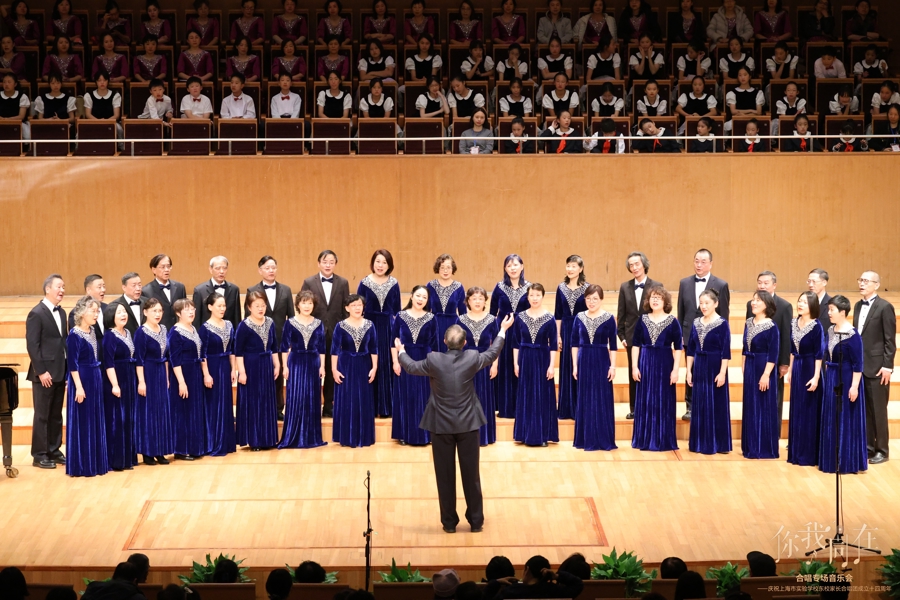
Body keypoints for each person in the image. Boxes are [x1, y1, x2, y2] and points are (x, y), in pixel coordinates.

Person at [397, 312, 513, 533]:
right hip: (468, 425)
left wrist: (401, 351)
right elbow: (492, 353)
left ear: (444, 341)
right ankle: (476, 522)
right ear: (465, 343)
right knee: (472, 476)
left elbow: (411, 367)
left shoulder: (434, 360)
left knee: (445, 477)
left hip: (440, 426)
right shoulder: (472, 357)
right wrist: (502, 331)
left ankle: (449, 523)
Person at [677, 249, 730, 421]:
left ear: (711, 264)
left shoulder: (721, 284)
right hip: (690, 333)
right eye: (696, 261)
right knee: (691, 371)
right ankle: (690, 407)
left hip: (713, 339)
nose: (699, 265)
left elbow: (724, 314)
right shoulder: (684, 283)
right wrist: (681, 334)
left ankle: (710, 407)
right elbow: (681, 311)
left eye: (703, 262)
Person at [819, 300, 868, 475]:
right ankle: (831, 460)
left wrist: (854, 386)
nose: (829, 313)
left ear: (842, 312)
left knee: (845, 417)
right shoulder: (830, 330)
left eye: (832, 310)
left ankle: (846, 461)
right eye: (829, 309)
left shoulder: (853, 335)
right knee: (832, 416)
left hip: (847, 379)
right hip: (832, 377)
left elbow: (858, 364)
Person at [631, 286, 682, 452]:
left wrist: (675, 370)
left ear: (665, 301)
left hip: (664, 364)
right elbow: (635, 345)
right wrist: (634, 366)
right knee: (645, 400)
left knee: (664, 400)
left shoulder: (673, 321)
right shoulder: (642, 319)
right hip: (645, 364)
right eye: (652, 297)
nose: (655, 300)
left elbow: (679, 347)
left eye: (658, 297)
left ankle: (662, 439)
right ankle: (644, 439)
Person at [301, 250, 349, 418]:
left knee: (332, 369)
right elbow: (302, 305)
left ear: (335, 264)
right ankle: (312, 407)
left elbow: (346, 308)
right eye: (325, 261)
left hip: (335, 333)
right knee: (314, 369)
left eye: (331, 262)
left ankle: (329, 406)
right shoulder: (309, 282)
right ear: (318, 263)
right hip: (314, 333)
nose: (328, 265)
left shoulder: (343, 283)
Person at [27, 274, 67, 469]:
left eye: (63, 287)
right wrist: (41, 371)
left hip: (59, 370)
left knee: (56, 414)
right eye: (58, 287)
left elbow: (62, 342)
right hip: (44, 373)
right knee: (42, 415)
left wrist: (66, 370)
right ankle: (40, 454)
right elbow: (32, 345)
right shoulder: (36, 313)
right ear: (47, 289)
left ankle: (54, 449)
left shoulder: (62, 312)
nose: (62, 290)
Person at [246, 255, 294, 419]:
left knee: (278, 375)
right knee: (261, 376)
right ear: (260, 270)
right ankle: (262, 408)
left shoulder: (286, 290)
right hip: (258, 342)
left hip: (280, 339)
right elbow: (247, 318)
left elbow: (291, 317)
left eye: (273, 267)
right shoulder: (252, 290)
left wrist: (291, 340)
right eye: (267, 268)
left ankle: (278, 409)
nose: (271, 270)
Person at [65, 296, 108, 477]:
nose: (96, 314)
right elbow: (72, 364)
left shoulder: (92, 331)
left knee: (95, 419)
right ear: (82, 313)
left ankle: (96, 462)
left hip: (95, 378)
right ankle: (82, 464)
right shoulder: (74, 335)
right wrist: (79, 387)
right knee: (83, 421)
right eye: (93, 311)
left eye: (97, 311)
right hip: (82, 380)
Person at [853, 271, 894, 464]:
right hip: (860, 366)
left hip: (878, 368)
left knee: (878, 411)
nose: (862, 284)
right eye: (860, 280)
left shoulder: (885, 307)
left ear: (876, 285)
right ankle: (868, 447)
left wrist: (887, 366)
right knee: (865, 410)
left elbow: (889, 340)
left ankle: (882, 450)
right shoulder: (857, 305)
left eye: (866, 281)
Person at [685, 289, 731, 455]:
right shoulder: (696, 322)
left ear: (716, 304)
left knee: (717, 404)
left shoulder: (722, 323)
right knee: (700, 404)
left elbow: (726, 351)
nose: (703, 306)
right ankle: (699, 442)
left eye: (707, 303)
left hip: (715, 367)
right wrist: (689, 371)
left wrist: (722, 372)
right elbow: (691, 349)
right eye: (701, 303)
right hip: (699, 367)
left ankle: (719, 444)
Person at [279, 291, 326, 449]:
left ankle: (311, 437)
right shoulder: (290, 323)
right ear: (298, 305)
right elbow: (284, 347)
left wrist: (322, 366)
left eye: (310, 303)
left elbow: (322, 348)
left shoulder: (319, 323)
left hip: (313, 363)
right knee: (296, 397)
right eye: (304, 302)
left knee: (312, 398)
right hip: (296, 363)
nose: (307, 306)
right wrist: (285, 366)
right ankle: (293, 436)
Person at [572, 284, 617, 451]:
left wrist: (613, 366)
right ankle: (585, 438)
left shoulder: (609, 318)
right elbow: (574, 344)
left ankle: (602, 438)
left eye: (595, 299)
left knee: (602, 397)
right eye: (588, 299)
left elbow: (613, 345)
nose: (591, 302)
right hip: (584, 360)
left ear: (601, 299)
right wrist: (575, 365)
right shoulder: (579, 317)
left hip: (601, 360)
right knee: (585, 397)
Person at [512, 283, 558, 447]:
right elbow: (515, 343)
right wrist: (516, 363)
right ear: (527, 297)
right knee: (526, 395)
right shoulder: (520, 317)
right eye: (531, 295)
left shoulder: (550, 318)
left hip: (542, 359)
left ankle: (542, 435)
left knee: (542, 396)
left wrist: (551, 366)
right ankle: (524, 434)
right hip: (525, 359)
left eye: (538, 295)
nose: (535, 298)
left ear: (543, 296)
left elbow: (553, 345)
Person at [390, 285, 437, 445]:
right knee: (406, 396)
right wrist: (395, 361)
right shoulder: (400, 316)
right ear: (411, 296)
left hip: (425, 360)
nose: (420, 299)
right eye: (418, 295)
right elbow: (393, 342)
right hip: (404, 358)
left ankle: (426, 435)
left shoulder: (431, 318)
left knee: (425, 397)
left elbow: (435, 345)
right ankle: (404, 434)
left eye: (424, 297)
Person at [357, 249, 400, 418]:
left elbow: (397, 311)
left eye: (384, 262)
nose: (380, 265)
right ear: (372, 263)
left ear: (389, 265)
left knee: (387, 362)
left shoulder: (394, 283)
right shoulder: (364, 283)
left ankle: (387, 407)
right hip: (369, 327)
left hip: (388, 328)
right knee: (369, 363)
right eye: (378, 261)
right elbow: (358, 308)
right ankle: (371, 407)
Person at [744, 271, 792, 419]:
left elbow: (786, 336)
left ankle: (774, 430)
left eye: (766, 283)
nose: (762, 286)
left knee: (773, 399)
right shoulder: (751, 304)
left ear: (774, 285)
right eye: (760, 283)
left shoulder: (784, 306)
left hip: (772, 359)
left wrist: (784, 363)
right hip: (753, 360)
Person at [235, 291, 279, 451]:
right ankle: (254, 440)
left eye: (263, 306)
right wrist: (242, 372)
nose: (260, 309)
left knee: (267, 401)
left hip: (266, 365)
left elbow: (274, 346)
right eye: (257, 306)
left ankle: (268, 438)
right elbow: (238, 351)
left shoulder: (270, 322)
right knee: (253, 402)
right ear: (249, 307)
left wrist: (277, 365)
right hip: (251, 367)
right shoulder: (244, 326)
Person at [332, 295, 378, 447]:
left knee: (364, 399)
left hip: (364, 364)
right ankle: (346, 436)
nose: (357, 308)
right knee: (347, 399)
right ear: (347, 308)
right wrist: (334, 369)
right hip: (345, 365)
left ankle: (364, 436)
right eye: (353, 305)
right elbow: (334, 350)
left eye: (359, 305)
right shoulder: (340, 326)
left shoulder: (370, 325)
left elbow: (374, 348)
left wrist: (374, 367)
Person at [457, 287, 499, 446]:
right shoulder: (460, 320)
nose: (477, 301)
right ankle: (465, 436)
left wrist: (495, 365)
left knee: (483, 399)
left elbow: (496, 345)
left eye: (480, 298)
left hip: (485, 363)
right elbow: (456, 345)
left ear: (485, 301)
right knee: (465, 400)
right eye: (474, 298)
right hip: (465, 364)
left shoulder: (492, 320)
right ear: (468, 301)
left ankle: (484, 436)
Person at [786, 291, 824, 467]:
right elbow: (792, 350)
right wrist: (790, 370)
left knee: (809, 411)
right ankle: (795, 452)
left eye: (805, 302)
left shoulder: (817, 326)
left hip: (810, 368)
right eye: (799, 301)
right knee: (797, 409)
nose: (800, 304)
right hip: (797, 368)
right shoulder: (794, 322)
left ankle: (808, 454)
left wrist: (816, 377)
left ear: (813, 306)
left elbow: (819, 354)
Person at [617, 252, 656, 420]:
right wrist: (621, 336)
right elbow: (621, 314)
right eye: (631, 265)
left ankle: (650, 406)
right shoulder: (625, 287)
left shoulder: (656, 285)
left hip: (651, 337)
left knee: (650, 372)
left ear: (644, 265)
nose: (634, 267)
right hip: (632, 337)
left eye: (637, 264)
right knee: (634, 372)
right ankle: (634, 408)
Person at [134, 297, 173, 465]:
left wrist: (167, 377)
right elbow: (139, 360)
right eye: (154, 311)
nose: (157, 314)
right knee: (149, 413)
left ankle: (160, 450)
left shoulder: (163, 329)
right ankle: (148, 452)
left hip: (161, 373)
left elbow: (166, 357)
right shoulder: (141, 332)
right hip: (148, 373)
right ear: (145, 312)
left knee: (161, 412)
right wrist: (141, 381)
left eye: (160, 311)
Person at [742, 290, 780, 460]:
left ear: (766, 304)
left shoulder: (772, 326)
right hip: (750, 367)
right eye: (753, 299)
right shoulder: (748, 322)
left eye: (758, 300)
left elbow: (773, 353)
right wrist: (744, 366)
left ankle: (763, 447)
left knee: (762, 406)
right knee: (750, 405)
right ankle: (750, 445)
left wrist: (766, 374)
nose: (754, 303)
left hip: (763, 368)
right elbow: (744, 347)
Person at [167, 299, 207, 461]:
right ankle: (181, 449)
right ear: (178, 313)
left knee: (194, 411)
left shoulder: (193, 328)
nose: (191, 312)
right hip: (183, 374)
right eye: (187, 310)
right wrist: (181, 382)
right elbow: (174, 359)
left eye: (193, 309)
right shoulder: (175, 332)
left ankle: (195, 447)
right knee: (182, 411)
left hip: (195, 373)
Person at [491, 254, 529, 418]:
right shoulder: (499, 287)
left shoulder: (529, 287)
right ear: (505, 269)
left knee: (520, 367)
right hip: (503, 330)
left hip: (523, 331)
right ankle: (505, 407)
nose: (513, 268)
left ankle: (522, 407)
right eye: (509, 265)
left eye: (515, 265)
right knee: (505, 367)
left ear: (522, 267)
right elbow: (492, 313)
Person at [200, 292, 237, 456]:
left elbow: (232, 349)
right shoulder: (205, 328)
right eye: (219, 306)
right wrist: (206, 374)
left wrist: (233, 369)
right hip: (212, 367)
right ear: (210, 307)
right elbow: (202, 354)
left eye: (224, 306)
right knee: (213, 405)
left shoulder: (229, 324)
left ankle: (227, 442)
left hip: (225, 366)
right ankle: (213, 442)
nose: (222, 309)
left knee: (226, 404)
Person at [103, 303, 138, 471]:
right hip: (117, 379)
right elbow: (108, 363)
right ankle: (116, 460)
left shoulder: (127, 332)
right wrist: (115, 385)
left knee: (128, 419)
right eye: (119, 312)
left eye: (124, 311)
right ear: (111, 316)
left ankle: (128, 458)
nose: (124, 315)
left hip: (129, 378)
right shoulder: (110, 336)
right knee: (118, 419)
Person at [555, 256, 588, 420]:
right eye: (568, 266)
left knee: (581, 365)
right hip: (566, 330)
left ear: (581, 269)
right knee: (567, 365)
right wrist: (558, 335)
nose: (570, 269)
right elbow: (558, 314)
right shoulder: (561, 288)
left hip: (583, 329)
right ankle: (566, 408)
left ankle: (580, 408)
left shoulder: (588, 288)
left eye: (574, 266)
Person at [483, 556, 584, 599]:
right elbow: (578, 584)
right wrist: (557, 576)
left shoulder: (511, 591)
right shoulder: (555, 591)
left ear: (527, 570)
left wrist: (495, 583)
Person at [193, 255, 241, 330]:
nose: (221, 271)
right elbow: (196, 319)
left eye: (224, 268)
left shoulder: (234, 289)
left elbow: (237, 317)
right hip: (207, 333)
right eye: (217, 268)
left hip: (228, 332)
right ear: (210, 269)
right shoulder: (199, 290)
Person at [144, 253, 186, 330]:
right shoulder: (146, 291)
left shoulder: (180, 287)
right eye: (162, 267)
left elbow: (184, 310)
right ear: (153, 269)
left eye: (168, 266)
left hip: (179, 330)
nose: (166, 270)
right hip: (158, 331)